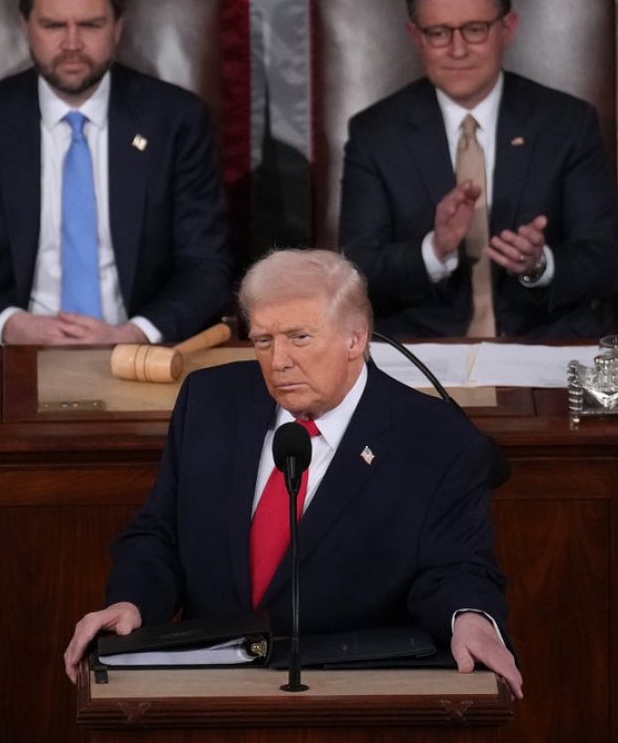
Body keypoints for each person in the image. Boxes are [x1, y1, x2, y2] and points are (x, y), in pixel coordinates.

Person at [63, 249, 523, 698]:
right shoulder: (209, 403)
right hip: (210, 693)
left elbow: (457, 568)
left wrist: (471, 618)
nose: (278, 360)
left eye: (299, 337)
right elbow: (159, 535)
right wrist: (132, 602)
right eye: (263, 340)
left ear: (355, 339)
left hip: (352, 698)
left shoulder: (436, 439)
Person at [0, 0, 231, 346]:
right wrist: (9, 325)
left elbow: (207, 266)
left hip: (139, 356)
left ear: (118, 28)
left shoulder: (175, 121)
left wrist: (136, 334)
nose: (72, 43)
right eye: (54, 25)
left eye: (90, 25)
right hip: (13, 359)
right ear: (26, 26)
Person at [338, 0, 618, 340]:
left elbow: (602, 262)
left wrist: (539, 264)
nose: (457, 50)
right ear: (415, 37)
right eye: (438, 33)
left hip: (543, 340)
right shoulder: (376, 132)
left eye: (474, 29)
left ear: (508, 28)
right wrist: (434, 250)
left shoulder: (567, 123)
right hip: (422, 347)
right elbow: (358, 270)